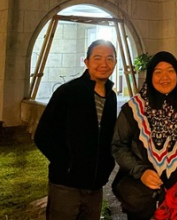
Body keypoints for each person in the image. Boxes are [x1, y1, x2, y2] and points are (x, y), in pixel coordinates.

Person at [34, 39, 119, 220]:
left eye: (109, 59)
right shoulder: (68, 92)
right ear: (86, 62)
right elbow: (42, 136)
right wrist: (67, 164)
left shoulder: (111, 98)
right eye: (97, 58)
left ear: (115, 62)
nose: (104, 64)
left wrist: (105, 167)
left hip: (95, 186)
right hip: (66, 185)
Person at [111, 51, 177, 220]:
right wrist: (140, 171)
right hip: (146, 198)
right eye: (158, 72)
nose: (165, 77)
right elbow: (117, 145)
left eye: (170, 71)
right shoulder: (134, 109)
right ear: (150, 76)